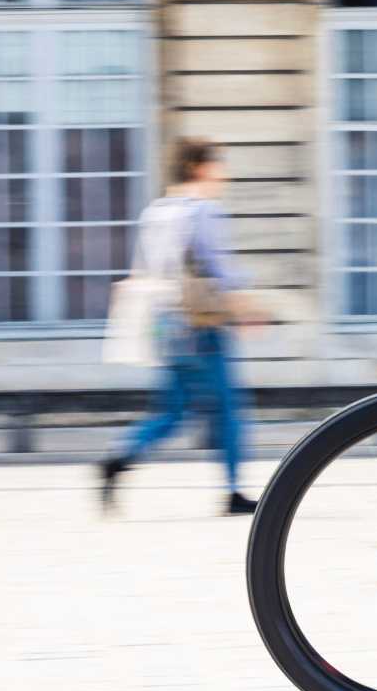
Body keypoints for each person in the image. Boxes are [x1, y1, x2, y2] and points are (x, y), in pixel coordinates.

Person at [100, 137, 261, 515]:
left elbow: (147, 270)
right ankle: (235, 491)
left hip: (167, 325)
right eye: (217, 164)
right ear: (198, 167)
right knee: (228, 409)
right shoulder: (204, 212)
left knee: (171, 411)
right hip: (202, 325)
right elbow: (219, 269)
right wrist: (246, 306)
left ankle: (118, 457)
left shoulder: (157, 212)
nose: (224, 173)